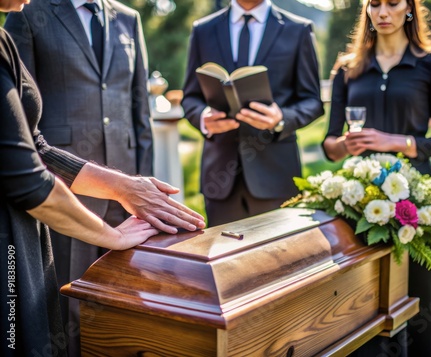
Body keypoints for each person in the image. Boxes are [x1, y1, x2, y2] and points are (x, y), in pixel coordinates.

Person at [0, 2, 205, 356]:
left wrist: (130, 186)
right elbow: (24, 165)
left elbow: (36, 144)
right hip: (32, 210)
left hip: (90, 178)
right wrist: (109, 233)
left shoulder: (127, 17)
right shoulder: (28, 16)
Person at [322, 0, 431, 356]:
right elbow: (329, 145)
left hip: (416, 199)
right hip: (358, 199)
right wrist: (346, 145)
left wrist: (397, 141)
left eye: (392, 3)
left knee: (419, 291)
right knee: (364, 299)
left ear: (409, 9)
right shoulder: (348, 69)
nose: (383, 12)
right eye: (375, 4)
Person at [182, 0, 324, 226]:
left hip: (276, 174)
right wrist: (203, 118)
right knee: (223, 258)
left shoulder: (298, 29)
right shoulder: (203, 29)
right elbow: (190, 97)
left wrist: (281, 119)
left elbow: (313, 101)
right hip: (220, 178)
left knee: (278, 257)